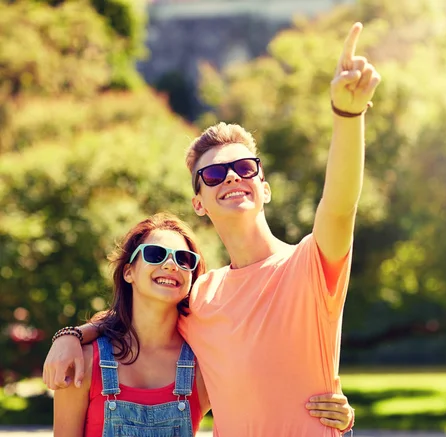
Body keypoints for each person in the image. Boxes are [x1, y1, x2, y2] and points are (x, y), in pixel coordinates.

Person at [45, 22, 380, 436]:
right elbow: (136, 317)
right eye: (215, 173)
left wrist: (348, 114)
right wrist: (71, 335)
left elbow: (341, 204)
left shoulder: (311, 263)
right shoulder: (198, 294)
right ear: (199, 204)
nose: (232, 178)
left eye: (244, 168)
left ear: (264, 188)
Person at [52, 213, 355, 436]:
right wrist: (69, 336)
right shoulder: (82, 363)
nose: (171, 264)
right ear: (129, 271)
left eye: (184, 259)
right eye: (156, 254)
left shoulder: (202, 363)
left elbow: (267, 387)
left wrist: (337, 417)